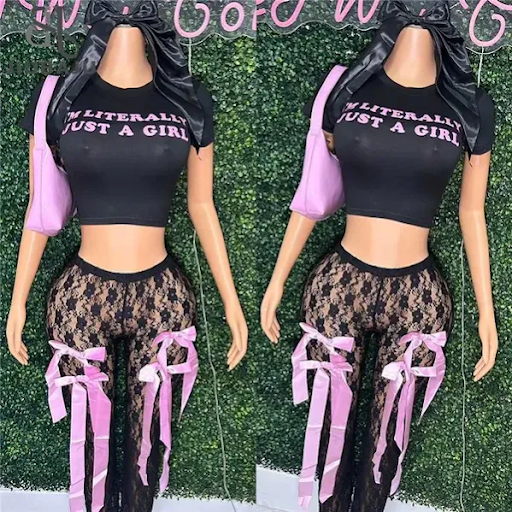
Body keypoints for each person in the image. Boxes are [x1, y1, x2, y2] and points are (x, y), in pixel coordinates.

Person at [6, 1, 248, 511]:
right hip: (82, 294)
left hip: (162, 296)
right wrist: (17, 301)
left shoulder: (187, 99)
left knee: (147, 455)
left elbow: (202, 206)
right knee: (87, 452)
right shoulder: (57, 99)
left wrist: (231, 302)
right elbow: (39, 206)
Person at [260, 1, 498, 511]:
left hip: (417, 298)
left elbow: (471, 213)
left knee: (383, 454)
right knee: (328, 441)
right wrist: (277, 279)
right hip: (339, 284)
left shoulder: (471, 104)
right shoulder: (346, 88)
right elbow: (312, 189)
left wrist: (487, 313)